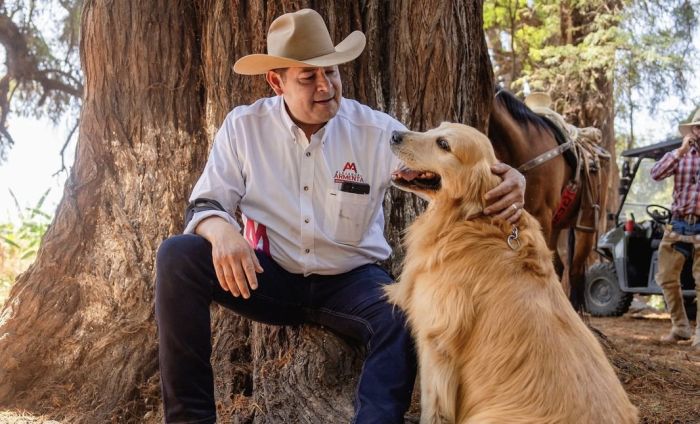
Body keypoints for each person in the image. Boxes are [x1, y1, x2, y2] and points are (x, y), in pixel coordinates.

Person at [155, 9, 526, 424]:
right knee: (178, 257)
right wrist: (221, 230)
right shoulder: (244, 129)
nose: (326, 87)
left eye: (331, 73)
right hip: (269, 274)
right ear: (276, 82)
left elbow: (446, 165)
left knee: (402, 316)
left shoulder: (375, 130)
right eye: (308, 78)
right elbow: (205, 203)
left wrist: (507, 178)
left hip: (352, 281)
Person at [650, 108, 700, 350]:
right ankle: (680, 328)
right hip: (678, 222)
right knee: (667, 277)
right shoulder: (680, 155)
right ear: (692, 130)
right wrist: (680, 151)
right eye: (698, 127)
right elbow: (656, 174)